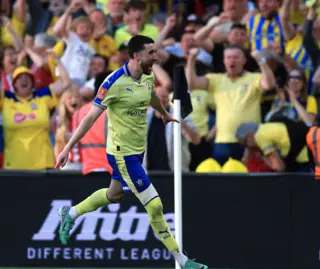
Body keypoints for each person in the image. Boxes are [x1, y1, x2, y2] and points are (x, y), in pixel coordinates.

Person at [54, 35, 208, 269]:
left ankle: (71, 213)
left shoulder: (148, 75)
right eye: (151, 53)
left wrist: (164, 113)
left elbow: (152, 96)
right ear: (136, 55)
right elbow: (90, 118)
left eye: (156, 52)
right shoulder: (113, 83)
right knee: (154, 206)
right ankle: (183, 261)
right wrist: (67, 148)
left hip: (137, 151)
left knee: (114, 194)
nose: (156, 57)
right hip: (120, 154)